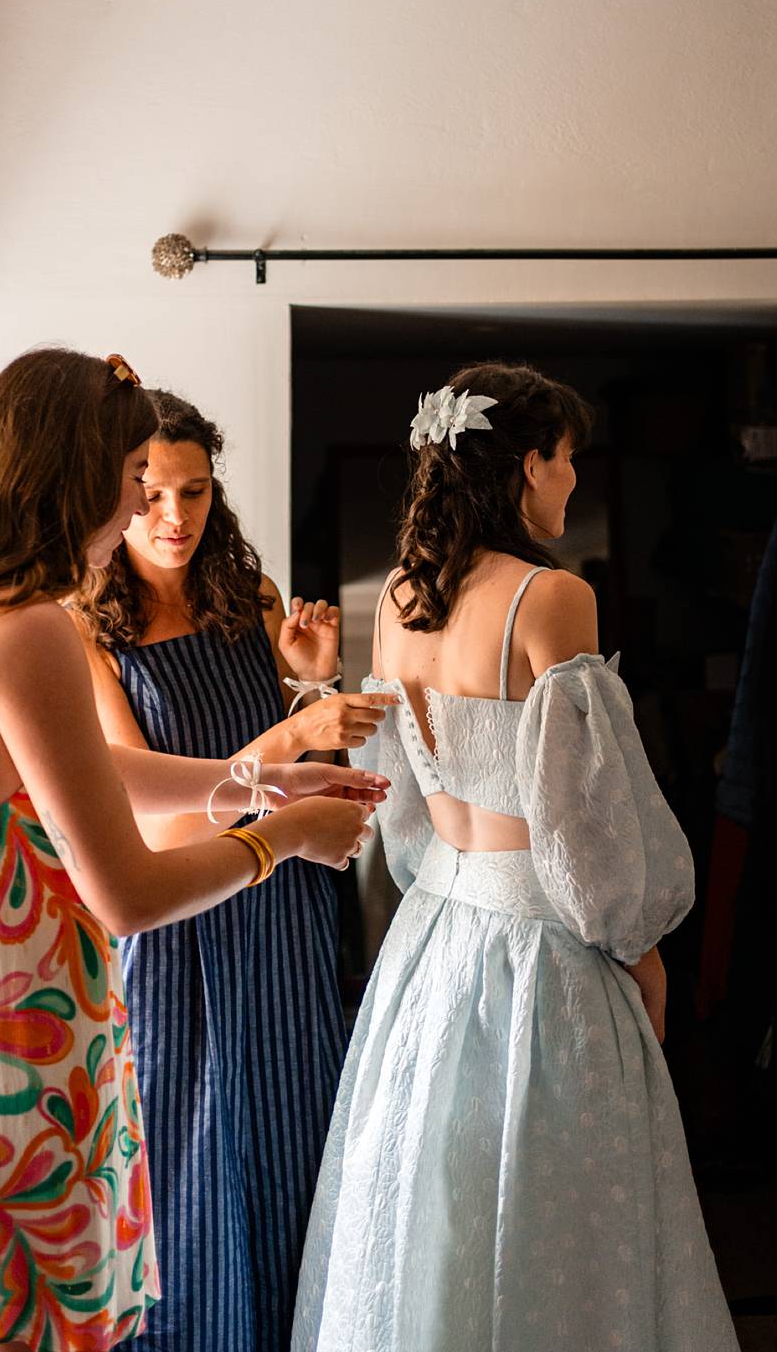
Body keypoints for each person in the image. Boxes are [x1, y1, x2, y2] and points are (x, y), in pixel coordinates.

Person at [0, 349, 387, 1352]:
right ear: (71, 479)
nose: (132, 513)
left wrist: (263, 779)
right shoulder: (32, 631)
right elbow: (127, 894)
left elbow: (77, 765)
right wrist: (284, 837)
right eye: (124, 485)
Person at [292, 363, 739, 1352]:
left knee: (430, 1200)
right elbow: (583, 817)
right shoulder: (554, 595)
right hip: (546, 946)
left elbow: (395, 800)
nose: (573, 481)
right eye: (568, 460)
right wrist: (641, 944)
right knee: (558, 1203)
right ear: (529, 464)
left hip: (433, 939)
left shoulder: (401, 603)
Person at [71, 389, 397, 1352]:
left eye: (197, 491)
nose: (176, 517)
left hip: (281, 907)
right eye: (153, 493)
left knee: (296, 1135)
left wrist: (309, 680)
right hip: (171, 926)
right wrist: (293, 730)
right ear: (121, 490)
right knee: (180, 1158)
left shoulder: (249, 598)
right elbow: (150, 830)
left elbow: (310, 781)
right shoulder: (85, 634)